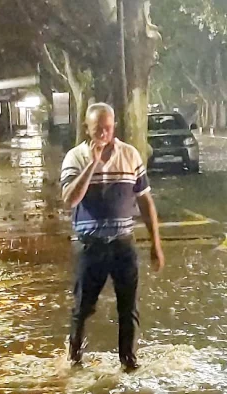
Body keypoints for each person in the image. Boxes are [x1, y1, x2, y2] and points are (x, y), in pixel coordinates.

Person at [61, 103, 165, 371]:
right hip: (90, 246)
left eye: (108, 128)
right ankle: (73, 361)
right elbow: (70, 198)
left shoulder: (130, 155)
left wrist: (156, 244)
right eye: (98, 129)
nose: (104, 134)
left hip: (123, 245)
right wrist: (93, 164)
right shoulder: (75, 158)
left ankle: (128, 363)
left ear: (114, 125)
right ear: (87, 128)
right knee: (83, 308)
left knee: (128, 310)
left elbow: (145, 202)